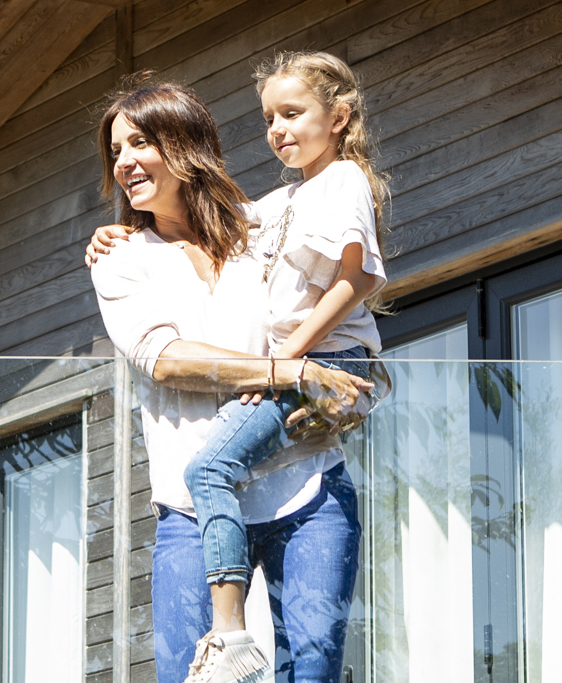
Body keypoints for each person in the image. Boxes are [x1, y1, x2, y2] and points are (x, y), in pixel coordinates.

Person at [93, 53, 391, 683]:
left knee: (312, 672)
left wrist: (347, 386)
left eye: (140, 142)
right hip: (193, 506)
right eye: (116, 151)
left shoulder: (263, 227)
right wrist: (288, 373)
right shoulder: (121, 263)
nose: (124, 162)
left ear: (187, 146)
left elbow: (344, 286)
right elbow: (167, 361)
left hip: (307, 488)